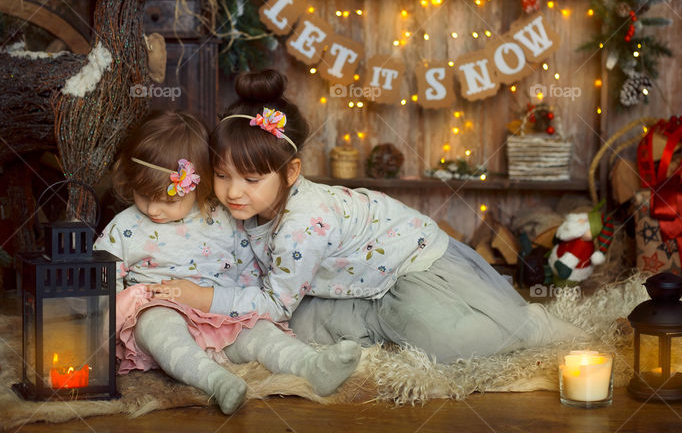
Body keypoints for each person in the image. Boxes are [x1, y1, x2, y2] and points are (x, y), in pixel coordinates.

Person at [164, 70, 587, 363]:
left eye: (251, 179)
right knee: (305, 326)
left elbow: (274, 304)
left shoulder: (303, 225)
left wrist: (199, 296)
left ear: (291, 172)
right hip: (354, 275)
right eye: (221, 175)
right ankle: (370, 313)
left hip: (410, 263)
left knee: (441, 342)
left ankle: (527, 325)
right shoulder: (245, 204)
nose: (233, 192)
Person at [93, 110, 361, 414]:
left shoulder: (221, 218)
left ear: (196, 183)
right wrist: (113, 313)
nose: (153, 209)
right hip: (159, 307)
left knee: (260, 334)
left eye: (168, 200)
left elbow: (248, 267)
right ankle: (216, 381)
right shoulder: (124, 226)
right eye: (144, 196)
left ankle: (312, 367)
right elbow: (105, 274)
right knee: (159, 329)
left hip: (219, 312)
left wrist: (242, 310)